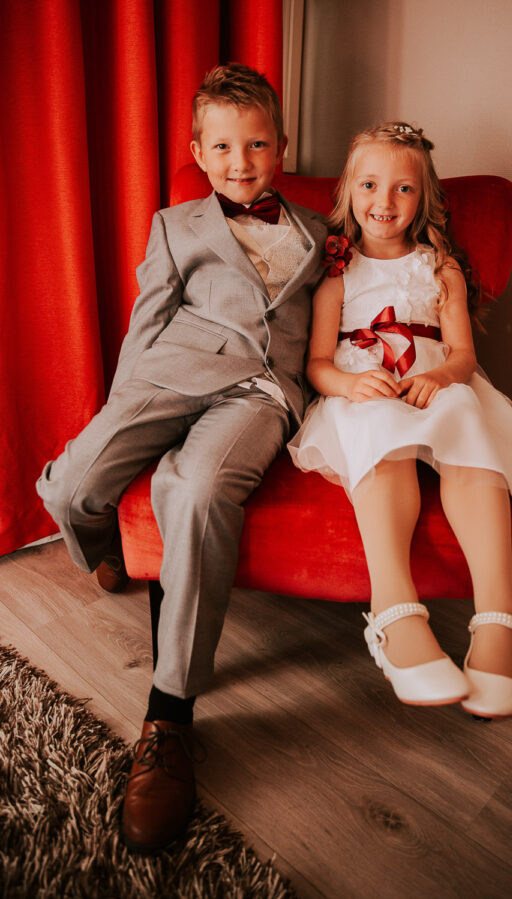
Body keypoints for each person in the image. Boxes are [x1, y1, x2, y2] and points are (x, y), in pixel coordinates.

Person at [36, 63, 327, 853]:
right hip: (169, 372)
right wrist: (121, 410)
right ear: (199, 152)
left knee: (195, 490)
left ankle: (169, 714)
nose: (242, 161)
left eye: (257, 144)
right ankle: (107, 551)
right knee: (70, 486)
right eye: (223, 146)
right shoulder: (174, 224)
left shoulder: (322, 232)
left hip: (259, 393)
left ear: (281, 146)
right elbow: (148, 318)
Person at [288, 121, 512, 721]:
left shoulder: (439, 268)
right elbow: (317, 364)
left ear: (423, 199)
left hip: (432, 383)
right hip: (365, 388)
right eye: (370, 184)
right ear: (348, 191)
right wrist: (350, 383)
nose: (384, 200)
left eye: (403, 188)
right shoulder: (336, 274)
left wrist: (442, 377)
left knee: (464, 413)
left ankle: (498, 617)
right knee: (375, 425)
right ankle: (394, 611)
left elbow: (464, 355)